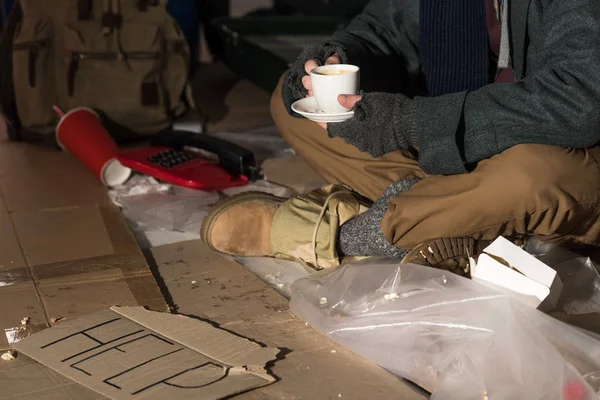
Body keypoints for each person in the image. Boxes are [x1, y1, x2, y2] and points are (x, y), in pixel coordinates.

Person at [200, 0, 600, 273]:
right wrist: (335, 59)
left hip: (568, 156)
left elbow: (581, 100)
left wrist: (412, 123)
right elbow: (382, 32)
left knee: (529, 173)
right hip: (479, 145)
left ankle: (343, 233)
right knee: (295, 108)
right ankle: (453, 215)